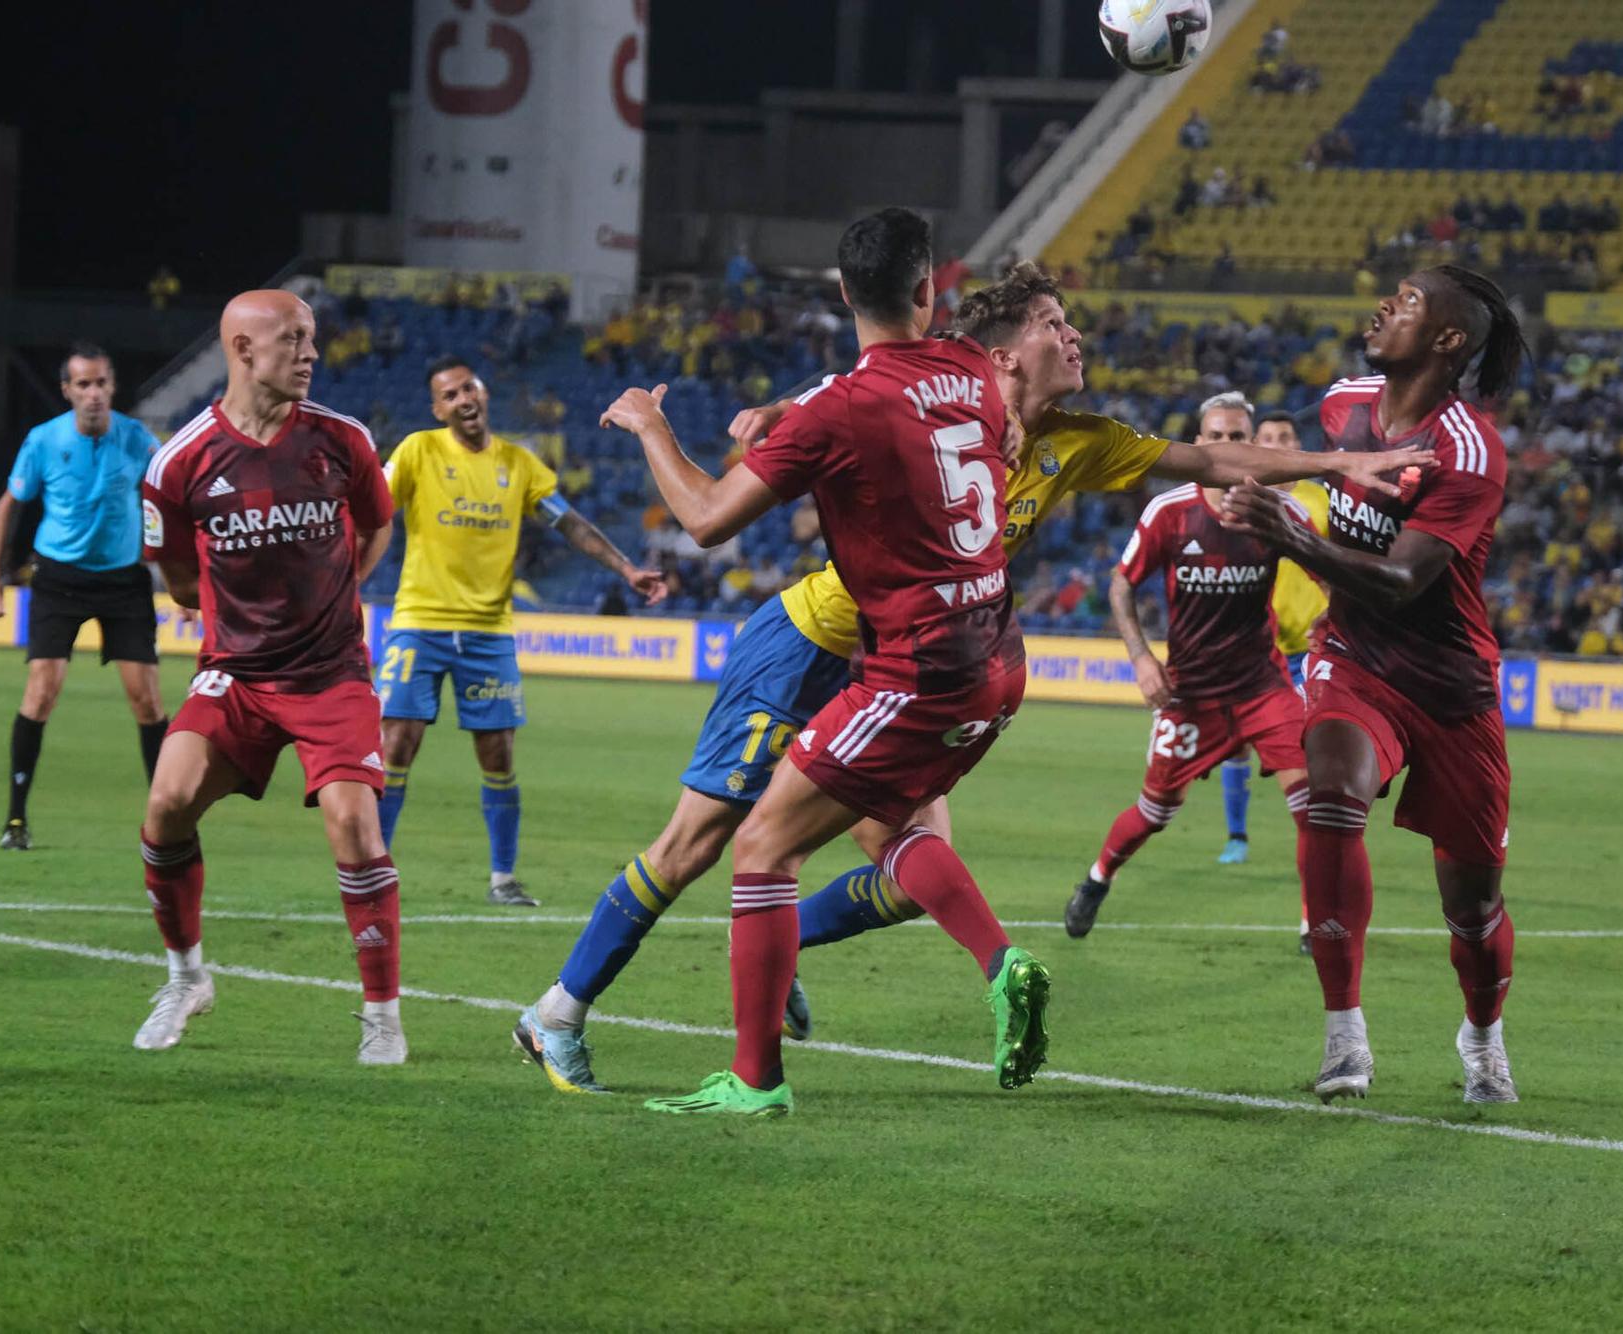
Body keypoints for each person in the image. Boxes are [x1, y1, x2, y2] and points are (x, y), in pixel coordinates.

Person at [512, 262, 1432, 1095]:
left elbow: (1214, 460)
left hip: (915, 667)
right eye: (1055, 324)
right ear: (1000, 354)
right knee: (696, 845)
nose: (1075, 335)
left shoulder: (1074, 442)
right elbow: (858, 382)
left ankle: (784, 944)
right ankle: (558, 1013)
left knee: (901, 876)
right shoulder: (936, 395)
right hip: (810, 647)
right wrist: (782, 407)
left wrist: (1340, 462)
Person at [594, 207, 1045, 1116]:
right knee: (899, 829)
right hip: (1000, 658)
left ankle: (755, 1080)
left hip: (915, 669)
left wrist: (649, 425)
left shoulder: (837, 411)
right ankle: (1001, 960)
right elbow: (975, 413)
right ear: (928, 289)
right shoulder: (967, 368)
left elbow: (707, 520)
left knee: (762, 848)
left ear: (842, 293)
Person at [1221, 265, 1529, 1105]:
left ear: (1447, 340)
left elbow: (1401, 580)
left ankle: (1482, 1036)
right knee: (1330, 793)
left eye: (1410, 301)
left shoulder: (1468, 451)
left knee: (1473, 908)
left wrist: (1291, 537)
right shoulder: (1342, 404)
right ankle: (1343, 1035)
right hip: (1354, 657)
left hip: (1451, 687)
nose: (1387, 305)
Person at [132, 290, 405, 1065]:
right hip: (237, 675)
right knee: (167, 803)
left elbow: (378, 523)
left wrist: (337, 597)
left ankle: (382, 1016)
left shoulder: (342, 439)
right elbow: (178, 579)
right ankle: (186, 978)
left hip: (331, 673)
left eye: (312, 338)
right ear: (244, 350)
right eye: (294, 339)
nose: (311, 353)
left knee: (355, 824)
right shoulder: (179, 463)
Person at [374, 357, 666, 901]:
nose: (463, 399)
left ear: (484, 393)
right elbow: (372, 508)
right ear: (437, 409)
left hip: (488, 632)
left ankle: (503, 879)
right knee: (395, 747)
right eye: (450, 395)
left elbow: (569, 522)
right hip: (420, 623)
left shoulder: (519, 463)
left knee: (499, 756)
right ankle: (372, 874)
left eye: (469, 387)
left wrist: (627, 569)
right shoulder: (418, 450)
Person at [1063, 393, 1314, 938]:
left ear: (1252, 444)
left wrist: (1335, 622)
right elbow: (1122, 584)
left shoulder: (1279, 511)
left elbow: (1332, 574)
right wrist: (1140, 658)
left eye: (1237, 436)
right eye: (1216, 436)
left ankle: (1314, 922)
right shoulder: (1170, 512)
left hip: (1263, 686)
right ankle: (1098, 878)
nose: (1227, 446)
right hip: (1190, 694)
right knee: (1156, 812)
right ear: (1198, 444)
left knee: (1312, 803)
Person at [0, 343, 167, 850]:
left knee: (147, 700)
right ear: (67, 390)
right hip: (59, 579)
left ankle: (166, 821)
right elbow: (9, 505)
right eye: (83, 384)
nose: (94, 393)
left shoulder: (137, 439)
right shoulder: (44, 440)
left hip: (124, 580)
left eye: (101, 383)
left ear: (113, 387)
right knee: (42, 691)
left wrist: (185, 582)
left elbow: (170, 502)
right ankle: (16, 818)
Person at [1218, 410, 1330, 893]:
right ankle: (1236, 836)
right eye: (1267, 438)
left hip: (1310, 648)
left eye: (1285, 437)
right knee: (1236, 741)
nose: (1277, 445)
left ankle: (1322, 841)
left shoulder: (1321, 500)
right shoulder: (1237, 500)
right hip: (1253, 647)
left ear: (1298, 445)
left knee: (1314, 748)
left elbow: (1343, 562)